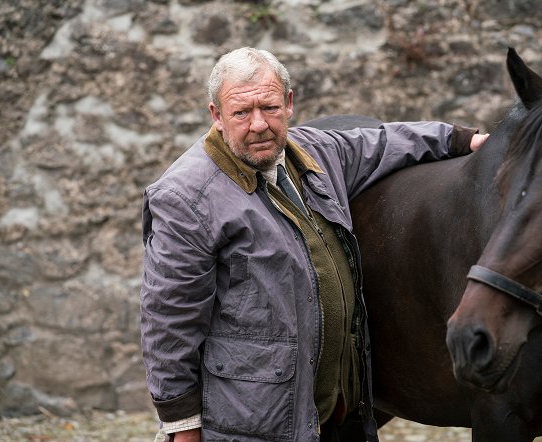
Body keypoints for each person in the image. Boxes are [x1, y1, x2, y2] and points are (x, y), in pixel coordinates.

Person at [140, 47, 489, 442]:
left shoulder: (313, 152)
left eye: (269, 107)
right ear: (216, 116)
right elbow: (169, 323)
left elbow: (383, 142)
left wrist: (466, 140)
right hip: (258, 424)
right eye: (241, 113)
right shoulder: (186, 197)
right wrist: (182, 426)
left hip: (344, 413)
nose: (258, 125)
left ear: (289, 104)